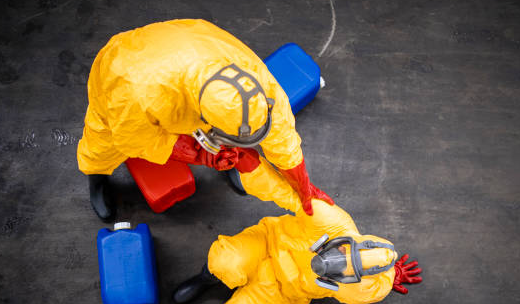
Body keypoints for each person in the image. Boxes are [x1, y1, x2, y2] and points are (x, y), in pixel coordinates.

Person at [109, 155, 423, 304]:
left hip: (277, 294)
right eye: (338, 253)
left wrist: (388, 277)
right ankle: (208, 280)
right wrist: (249, 165)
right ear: (347, 240)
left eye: (342, 271)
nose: (330, 262)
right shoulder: (331, 218)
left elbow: (373, 286)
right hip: (267, 244)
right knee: (226, 260)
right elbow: (285, 190)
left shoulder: (368, 289)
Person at [77, 19, 332, 221]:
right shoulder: (134, 92)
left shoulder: (257, 85)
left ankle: (230, 158)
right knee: (102, 140)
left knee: (232, 134)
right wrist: (199, 155)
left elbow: (282, 134)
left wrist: (302, 185)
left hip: (194, 46)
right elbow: (134, 139)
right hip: (127, 66)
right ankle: (97, 177)